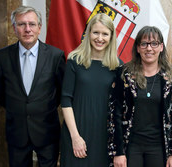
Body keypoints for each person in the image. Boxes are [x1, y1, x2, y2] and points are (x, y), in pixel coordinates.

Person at [0, 6, 66, 167]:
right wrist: (19, 106)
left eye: (32, 24)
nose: (27, 29)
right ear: (14, 28)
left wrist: (42, 107)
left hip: (47, 130)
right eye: (22, 24)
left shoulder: (56, 56)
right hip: (17, 132)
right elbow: (0, 92)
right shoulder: (0, 58)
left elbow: (61, 91)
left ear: (39, 28)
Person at [108, 26, 172, 167]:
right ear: (138, 48)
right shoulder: (124, 74)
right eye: (144, 44)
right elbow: (115, 114)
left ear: (161, 47)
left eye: (154, 44)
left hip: (160, 147)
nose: (149, 49)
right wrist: (118, 152)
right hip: (130, 147)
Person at [60, 13, 121, 167]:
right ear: (88, 33)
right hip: (77, 133)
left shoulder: (118, 66)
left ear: (111, 37)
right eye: (96, 32)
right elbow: (66, 100)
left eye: (105, 34)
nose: (100, 38)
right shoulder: (74, 60)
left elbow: (120, 106)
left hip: (104, 136)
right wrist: (75, 137)